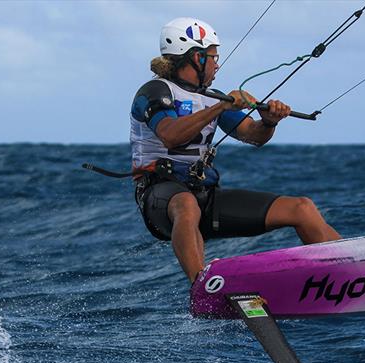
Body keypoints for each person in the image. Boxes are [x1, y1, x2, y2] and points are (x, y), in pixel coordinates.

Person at [130, 17, 340, 282]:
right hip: (159, 199)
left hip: (205, 197)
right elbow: (170, 135)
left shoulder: (212, 96)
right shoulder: (155, 91)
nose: (217, 64)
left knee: (302, 208)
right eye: (213, 57)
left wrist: (269, 121)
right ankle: (203, 286)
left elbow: (253, 136)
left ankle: (352, 269)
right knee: (186, 205)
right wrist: (220, 108)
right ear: (196, 58)